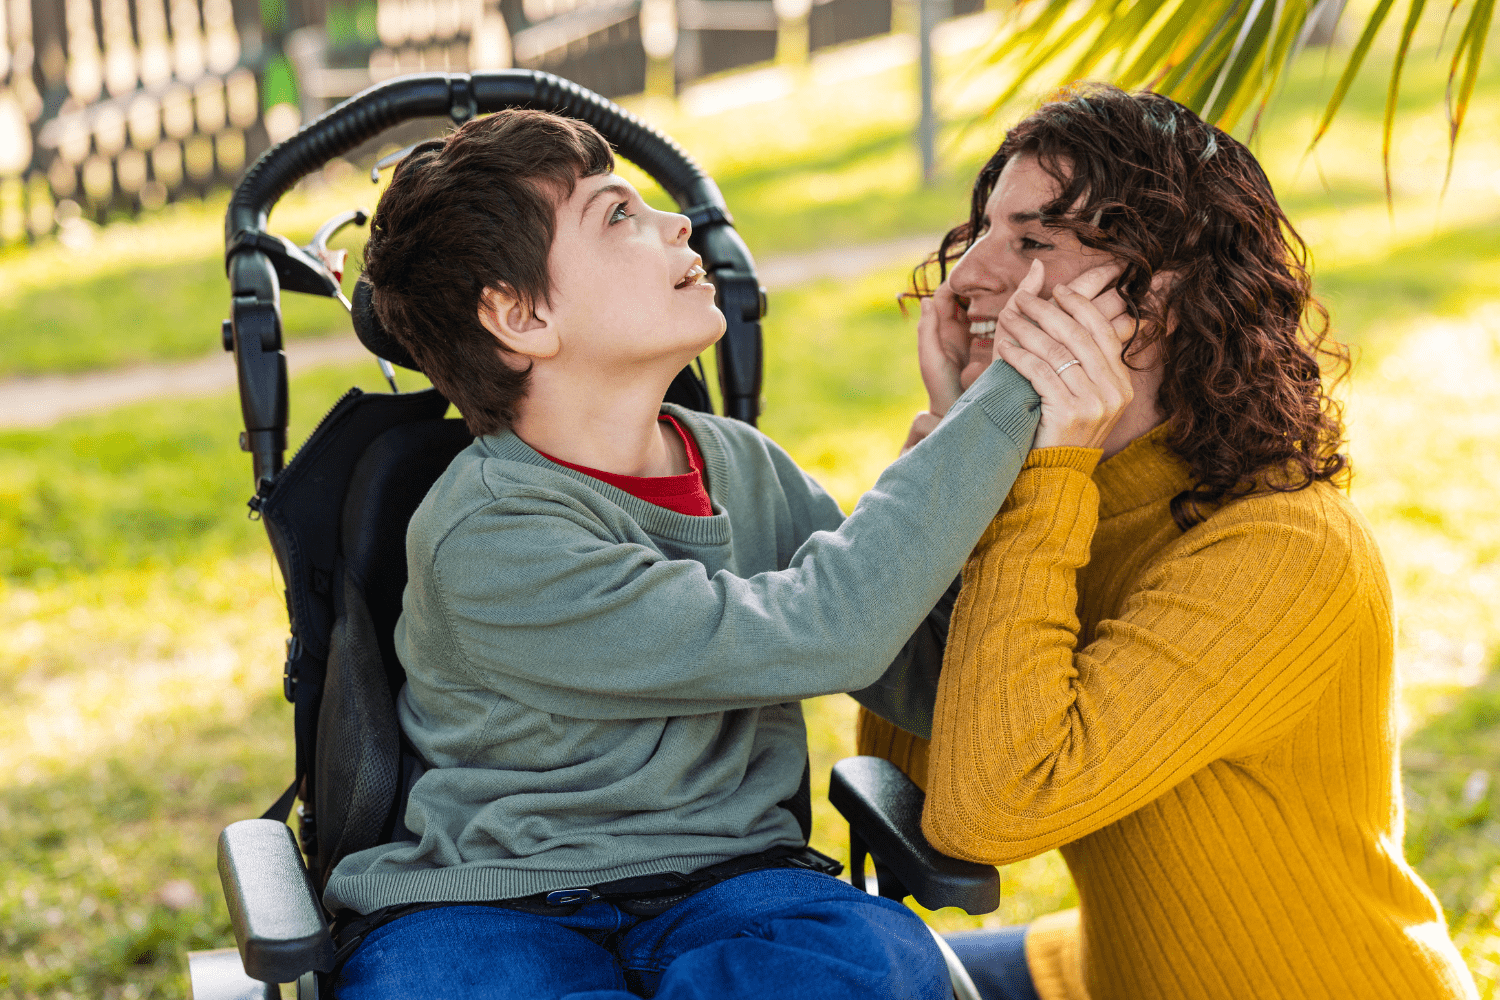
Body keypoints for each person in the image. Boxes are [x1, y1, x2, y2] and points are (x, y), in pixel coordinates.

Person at [319, 108, 1130, 999]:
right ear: (519, 314)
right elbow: (828, 630)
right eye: (617, 214)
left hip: (736, 882)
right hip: (491, 903)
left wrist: (955, 427)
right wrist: (1021, 384)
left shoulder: (742, 467)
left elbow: (925, 679)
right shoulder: (490, 534)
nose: (677, 224)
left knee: (875, 966)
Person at [858, 84, 1480, 1000]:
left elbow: (990, 810)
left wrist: (1032, 476)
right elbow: (915, 765)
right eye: (984, 233)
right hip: (1104, 968)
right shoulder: (1070, 495)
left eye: (1033, 241)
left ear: (1159, 295)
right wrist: (959, 471)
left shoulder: (1284, 551)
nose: (965, 279)